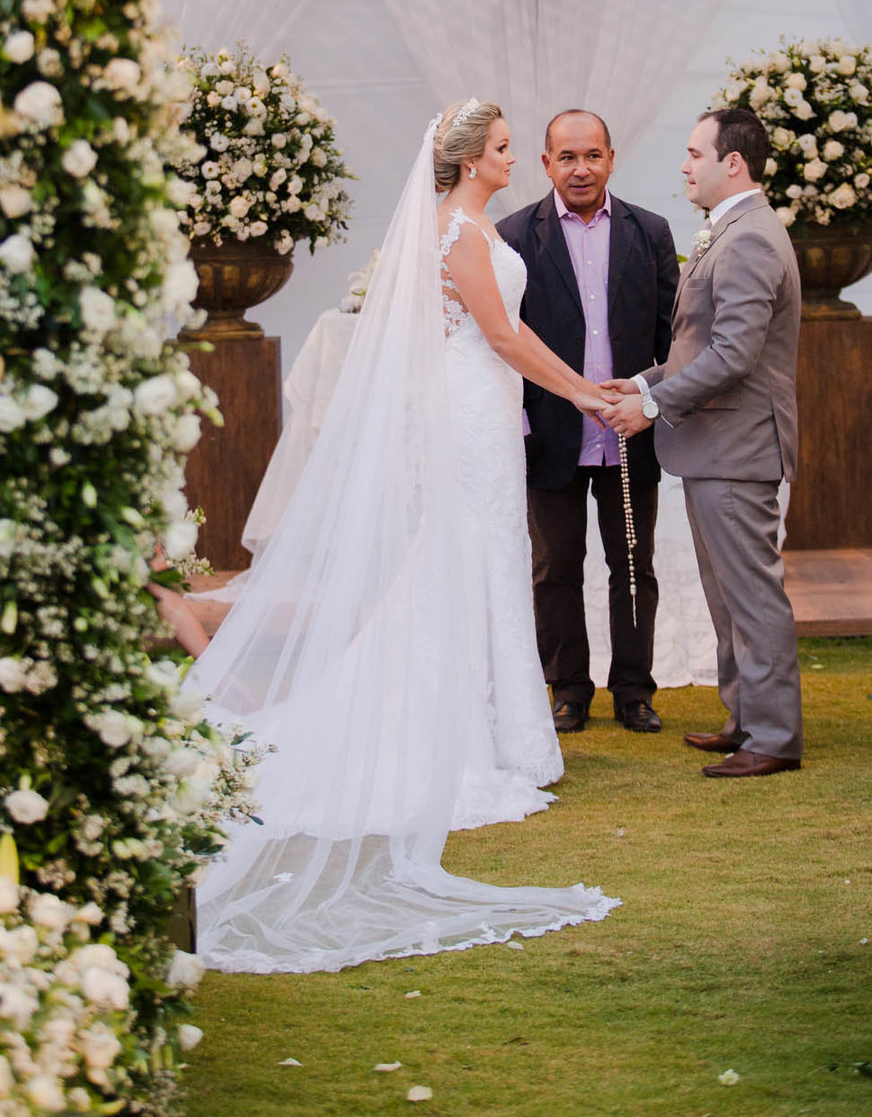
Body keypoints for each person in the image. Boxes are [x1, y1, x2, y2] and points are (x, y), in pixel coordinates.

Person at [187, 99, 617, 974]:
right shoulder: (456, 231)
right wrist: (580, 391)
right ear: (470, 160)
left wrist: (577, 383)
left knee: (489, 560)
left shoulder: (468, 225)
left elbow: (512, 336)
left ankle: (503, 733)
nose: (513, 160)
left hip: (485, 402)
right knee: (470, 559)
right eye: (504, 149)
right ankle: (471, 739)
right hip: (468, 405)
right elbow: (500, 335)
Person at [603, 107, 803, 780]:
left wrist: (651, 405)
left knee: (751, 596)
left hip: (737, 446)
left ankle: (773, 737)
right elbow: (698, 346)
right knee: (727, 598)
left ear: (732, 163)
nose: (685, 166)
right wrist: (641, 380)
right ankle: (745, 719)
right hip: (716, 445)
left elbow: (734, 355)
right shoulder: (733, 230)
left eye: (695, 154)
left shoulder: (749, 239)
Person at [498, 111, 678, 735]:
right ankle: (568, 689)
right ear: (546, 163)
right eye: (568, 157)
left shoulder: (649, 232)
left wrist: (652, 404)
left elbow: (671, 338)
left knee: (633, 564)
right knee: (555, 569)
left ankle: (634, 691)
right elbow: (505, 342)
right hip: (551, 432)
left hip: (632, 429)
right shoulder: (513, 237)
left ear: (611, 159)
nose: (581, 169)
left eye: (593, 156)